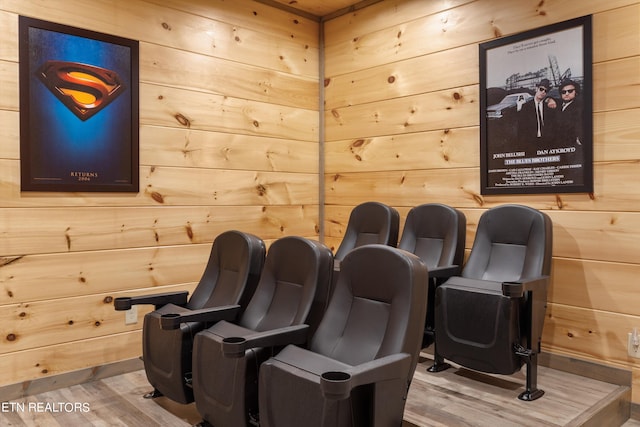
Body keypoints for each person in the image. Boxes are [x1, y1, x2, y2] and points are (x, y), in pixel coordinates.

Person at [517, 78, 557, 152]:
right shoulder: (526, 107)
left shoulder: (548, 107)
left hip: (547, 142)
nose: (543, 92)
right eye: (541, 89)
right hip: (531, 143)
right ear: (536, 89)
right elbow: (521, 128)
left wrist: (550, 99)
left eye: (546, 91)